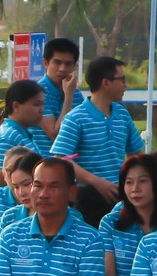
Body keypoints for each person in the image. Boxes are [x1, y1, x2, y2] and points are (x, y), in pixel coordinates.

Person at [52, 56, 144, 225]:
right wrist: (97, 182)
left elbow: (137, 153)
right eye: (121, 80)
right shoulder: (76, 118)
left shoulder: (122, 114)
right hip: (88, 199)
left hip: (121, 196)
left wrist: (131, 183)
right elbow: (62, 159)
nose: (125, 85)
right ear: (106, 83)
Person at [0, 81, 52, 192]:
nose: (41, 110)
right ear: (16, 106)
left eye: (43, 104)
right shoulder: (7, 136)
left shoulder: (21, 133)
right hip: (3, 205)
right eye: (36, 104)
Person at [38, 36, 81, 138]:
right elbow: (55, 135)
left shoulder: (77, 94)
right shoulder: (37, 92)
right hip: (43, 154)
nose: (62, 69)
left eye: (68, 64)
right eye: (57, 62)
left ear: (74, 66)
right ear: (45, 63)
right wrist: (69, 96)